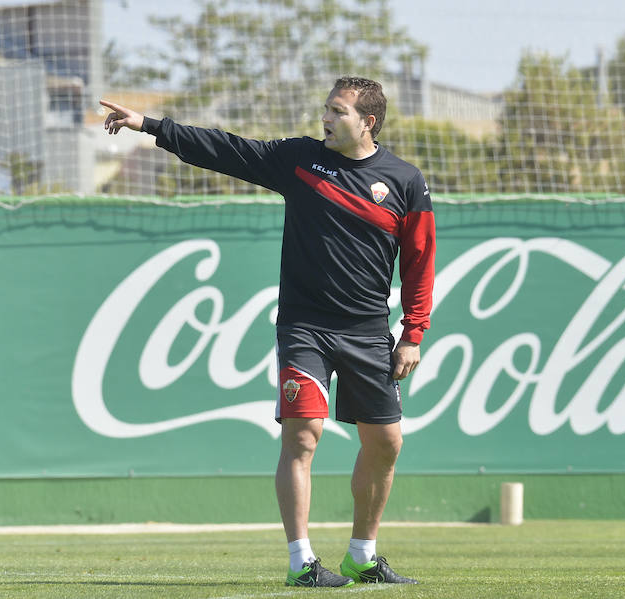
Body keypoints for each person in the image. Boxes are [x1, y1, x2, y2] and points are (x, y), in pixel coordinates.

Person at [101, 76, 435, 587]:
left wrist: (413, 332)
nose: (326, 117)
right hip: (306, 327)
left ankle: (362, 556)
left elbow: (419, 261)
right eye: (325, 107)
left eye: (338, 111)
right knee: (302, 437)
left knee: (386, 444)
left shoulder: (405, 180)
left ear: (368, 121)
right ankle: (302, 563)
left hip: (369, 331)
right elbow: (228, 150)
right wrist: (149, 126)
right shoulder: (301, 159)